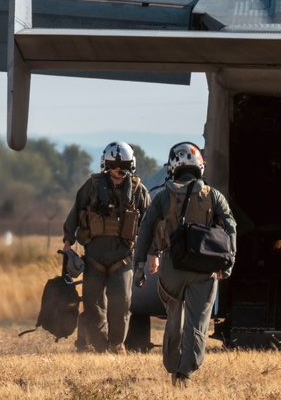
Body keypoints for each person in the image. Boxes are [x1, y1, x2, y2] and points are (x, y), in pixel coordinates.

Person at [134, 141, 236, 386]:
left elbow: (146, 229)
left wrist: (142, 264)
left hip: (172, 269)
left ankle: (172, 364)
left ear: (173, 168)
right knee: (197, 322)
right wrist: (228, 262)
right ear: (199, 167)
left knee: (175, 319)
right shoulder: (214, 195)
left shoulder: (162, 197)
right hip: (204, 269)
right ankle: (185, 372)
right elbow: (230, 227)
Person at [62, 141, 150, 354]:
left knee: (121, 305)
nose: (119, 170)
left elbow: (149, 221)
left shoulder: (139, 191)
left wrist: (151, 251)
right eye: (114, 165)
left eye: (124, 166)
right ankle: (100, 347)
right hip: (94, 257)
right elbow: (76, 213)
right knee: (93, 306)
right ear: (105, 165)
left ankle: (116, 345)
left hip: (123, 258)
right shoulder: (91, 187)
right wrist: (67, 244)